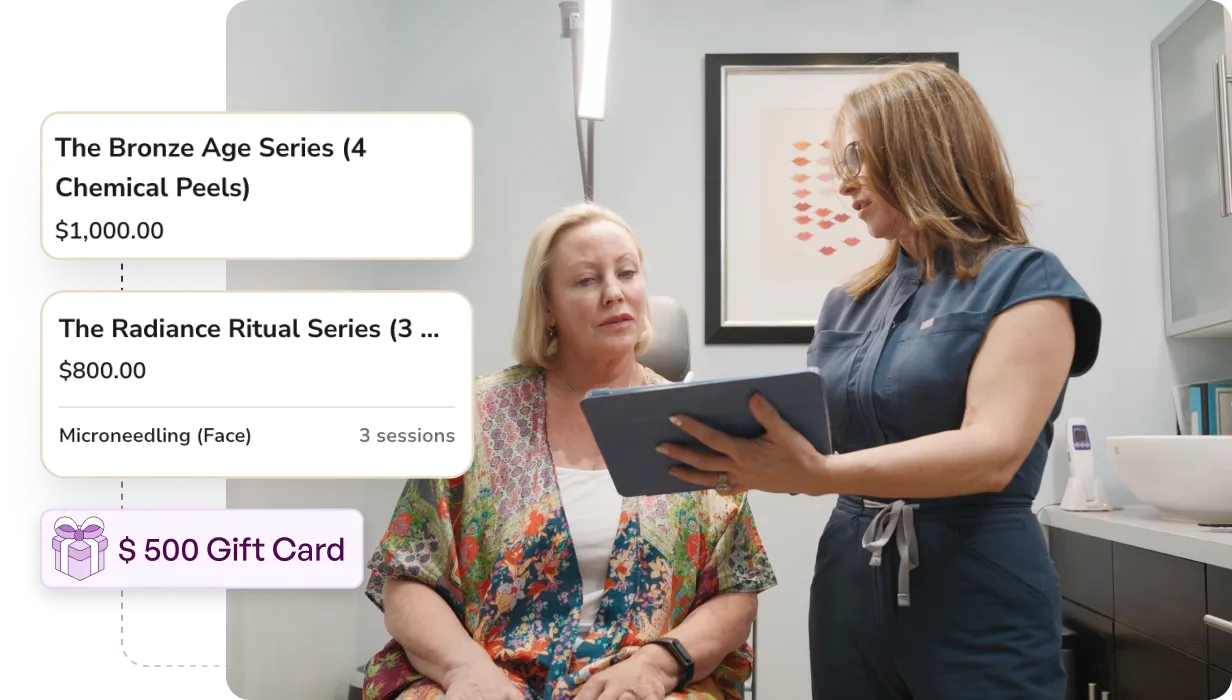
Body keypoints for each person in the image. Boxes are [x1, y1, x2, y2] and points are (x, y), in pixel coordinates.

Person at [660, 62, 1101, 700]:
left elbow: (992, 453)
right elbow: (815, 439)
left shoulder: (1027, 283)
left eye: (857, 157)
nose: (844, 184)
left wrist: (818, 474)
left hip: (977, 590)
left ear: (923, 147)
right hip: (849, 585)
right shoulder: (849, 302)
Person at [363, 203, 777, 700]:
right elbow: (407, 579)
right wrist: (466, 671)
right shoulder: (475, 417)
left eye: (627, 273)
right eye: (586, 280)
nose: (614, 293)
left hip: (645, 685)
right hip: (492, 677)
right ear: (548, 307)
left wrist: (658, 665)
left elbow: (735, 590)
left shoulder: (693, 423)